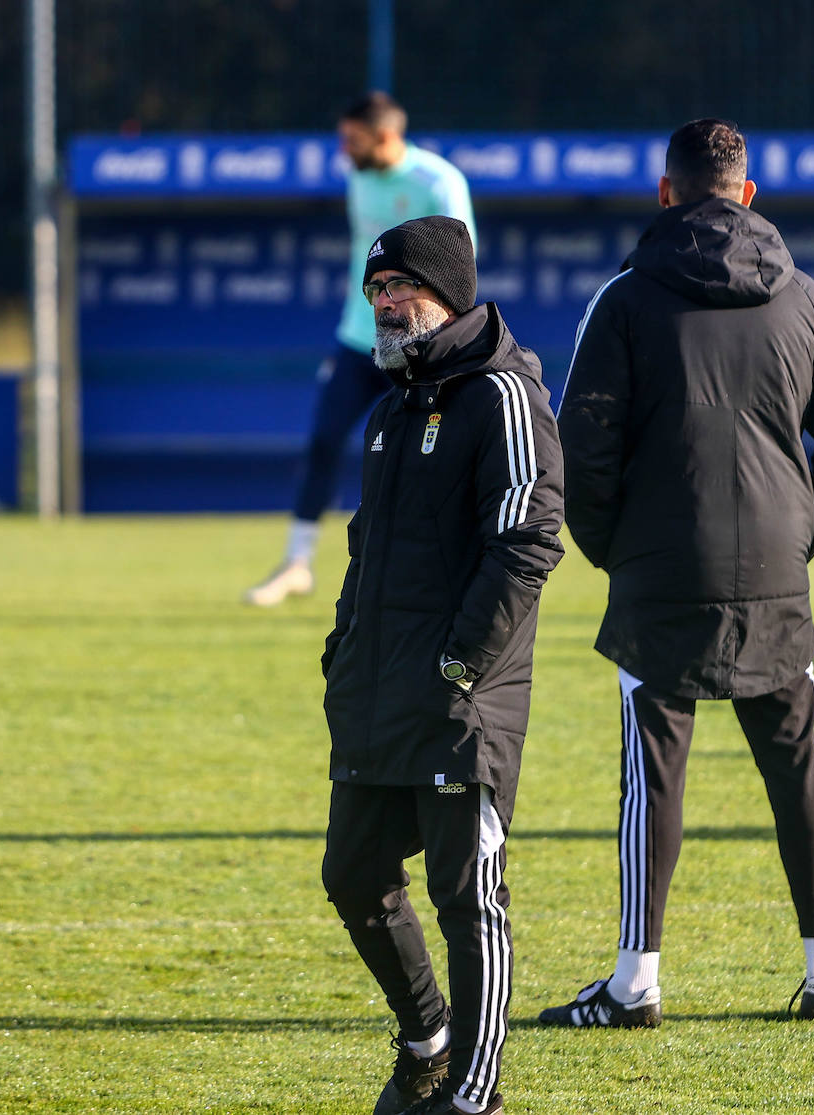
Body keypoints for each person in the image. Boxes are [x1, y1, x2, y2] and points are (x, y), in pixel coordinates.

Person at [538, 119, 814, 1029]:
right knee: (797, 772)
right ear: (748, 193)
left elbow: (580, 448)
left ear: (665, 193)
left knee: (651, 777)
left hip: (660, 567)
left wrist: (620, 549)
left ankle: (635, 984)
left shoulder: (623, 298)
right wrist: (797, 535)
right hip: (776, 569)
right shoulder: (807, 297)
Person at [320, 216, 564, 1115]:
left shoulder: (501, 392)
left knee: (467, 898)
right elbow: (365, 549)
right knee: (352, 872)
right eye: (376, 290)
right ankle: (427, 1038)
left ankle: (474, 1093)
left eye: (401, 288)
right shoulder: (393, 408)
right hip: (379, 691)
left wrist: (463, 660)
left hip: (464, 699)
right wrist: (342, 653)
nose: (386, 303)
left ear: (449, 291)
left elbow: (532, 538)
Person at [243, 92, 475, 606]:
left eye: (352, 139)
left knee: (432, 455)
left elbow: (462, 267)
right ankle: (296, 564)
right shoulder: (358, 178)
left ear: (386, 136)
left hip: (420, 344)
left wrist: (445, 342)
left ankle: (443, 564)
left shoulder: (439, 183)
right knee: (323, 441)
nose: (343, 149)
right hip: (357, 337)